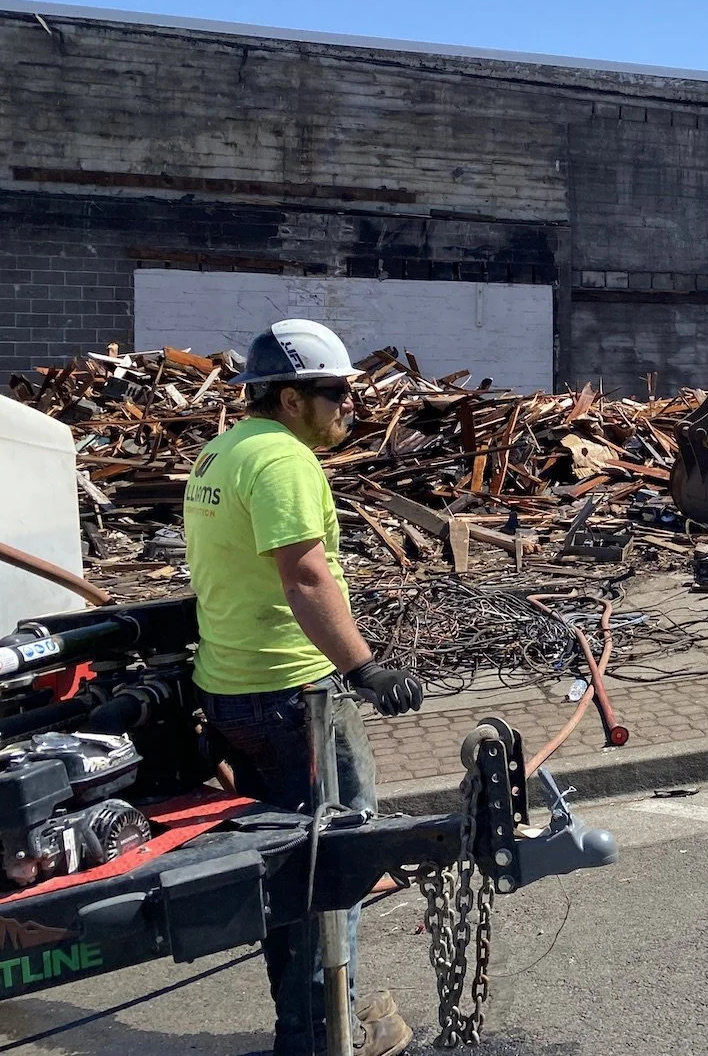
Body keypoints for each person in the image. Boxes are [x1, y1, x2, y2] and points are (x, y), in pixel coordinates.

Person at [182, 319, 425, 1056]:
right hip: (295, 696)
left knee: (288, 873)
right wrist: (364, 668)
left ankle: (311, 1024)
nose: (348, 407)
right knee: (334, 869)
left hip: (229, 689)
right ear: (289, 398)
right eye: (335, 394)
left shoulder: (217, 453)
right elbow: (306, 577)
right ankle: (324, 1037)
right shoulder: (284, 460)